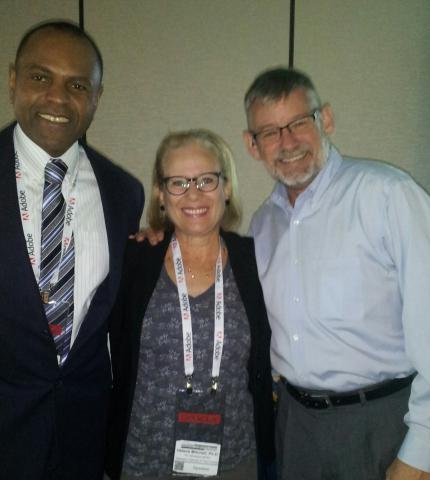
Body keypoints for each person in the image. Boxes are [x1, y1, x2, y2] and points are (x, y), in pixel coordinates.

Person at [242, 67, 430, 480]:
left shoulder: (387, 196)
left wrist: (423, 449)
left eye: (298, 123)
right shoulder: (261, 226)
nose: (287, 143)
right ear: (252, 145)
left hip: (383, 423)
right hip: (295, 425)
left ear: (324, 119)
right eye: (270, 132)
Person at [0, 21, 144, 480]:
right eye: (40, 76)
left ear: (96, 98)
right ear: (13, 80)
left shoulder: (124, 193)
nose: (58, 98)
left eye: (77, 84)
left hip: (83, 436)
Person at [105, 129, 275, 480]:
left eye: (206, 180)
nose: (193, 193)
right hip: (142, 463)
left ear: (226, 188)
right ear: (161, 195)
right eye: (178, 182)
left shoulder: (257, 262)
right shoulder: (133, 260)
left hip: (234, 462)